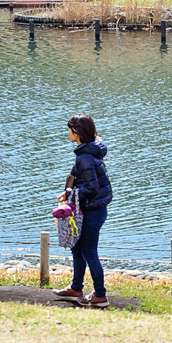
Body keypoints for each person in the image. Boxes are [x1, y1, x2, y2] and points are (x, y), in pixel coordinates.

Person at [54, 114, 113, 308]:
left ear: (77, 132)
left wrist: (69, 193)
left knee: (89, 251)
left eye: (69, 129)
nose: (68, 133)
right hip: (92, 208)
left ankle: (100, 295)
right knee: (77, 248)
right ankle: (76, 288)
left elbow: (92, 188)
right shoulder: (88, 152)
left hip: (93, 211)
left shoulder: (85, 157)